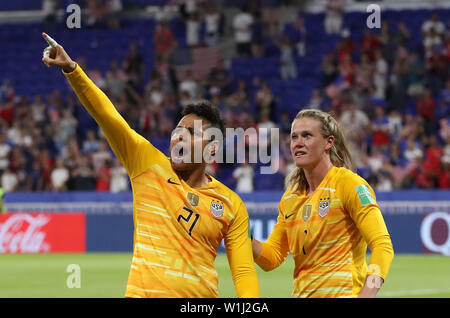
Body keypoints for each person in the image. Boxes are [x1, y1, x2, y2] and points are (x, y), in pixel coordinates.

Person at [41, 33, 259, 298]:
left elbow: (244, 273)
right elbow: (107, 115)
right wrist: (72, 70)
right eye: (178, 129)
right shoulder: (146, 163)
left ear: (212, 147)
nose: (180, 136)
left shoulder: (231, 204)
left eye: (192, 132)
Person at [251, 109, 394, 298]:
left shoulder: (350, 184)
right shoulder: (290, 198)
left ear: (329, 142)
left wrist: (367, 294)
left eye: (307, 136)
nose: (298, 143)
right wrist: (243, 237)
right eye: (294, 137)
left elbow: (382, 245)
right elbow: (272, 257)